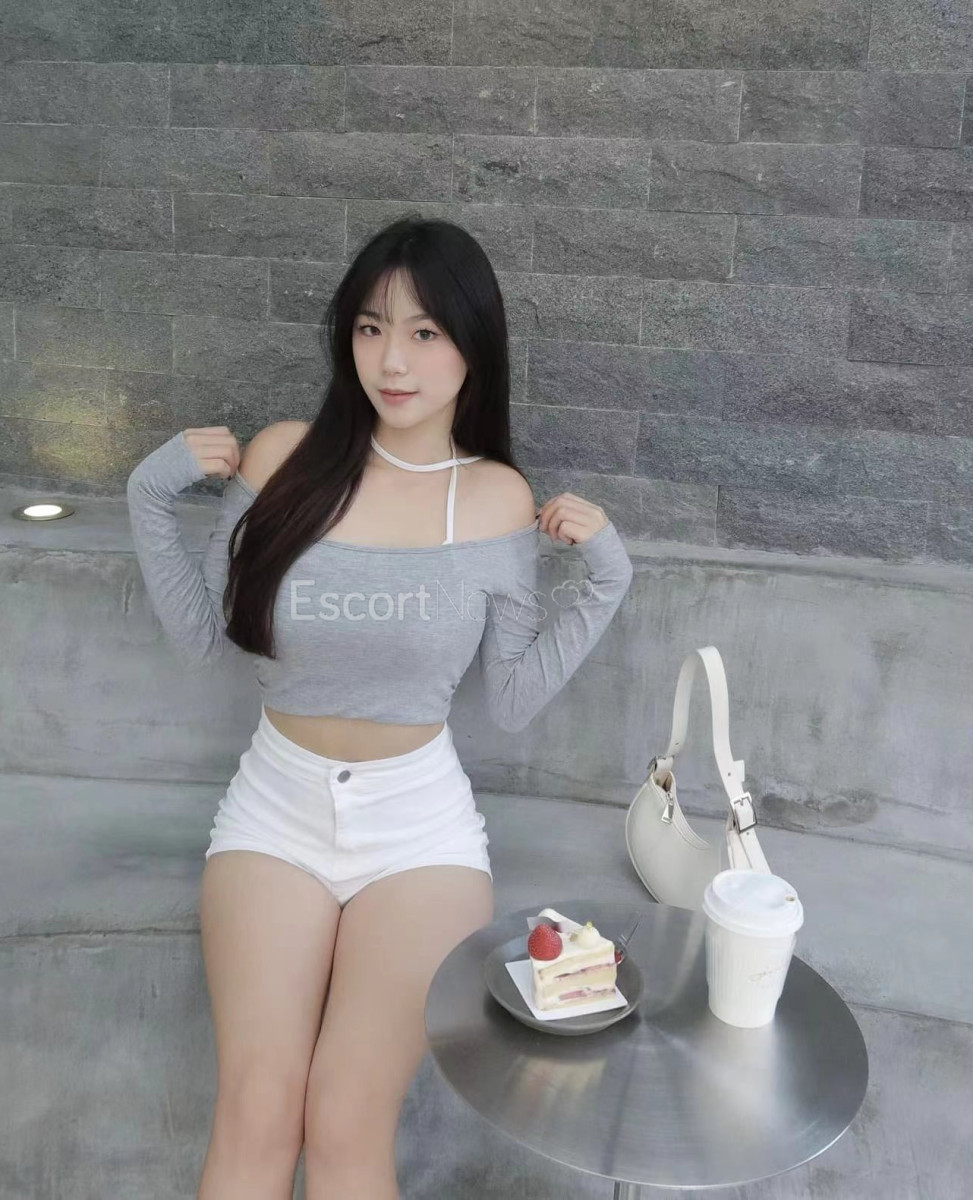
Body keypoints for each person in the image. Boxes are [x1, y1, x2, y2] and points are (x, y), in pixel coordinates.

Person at [125, 215, 635, 1199]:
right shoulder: (284, 458)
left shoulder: (495, 499)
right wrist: (151, 497)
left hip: (418, 834)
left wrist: (605, 575)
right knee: (257, 1108)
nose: (391, 361)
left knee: (346, 1121)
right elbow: (203, 636)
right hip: (275, 809)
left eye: (423, 332)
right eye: (369, 328)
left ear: (471, 347)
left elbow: (513, 699)